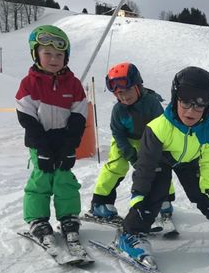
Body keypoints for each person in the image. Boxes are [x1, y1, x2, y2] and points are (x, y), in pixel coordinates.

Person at [115, 66, 209, 268]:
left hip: (189, 161)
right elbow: (145, 165)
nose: (191, 111)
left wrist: (208, 187)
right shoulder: (159, 127)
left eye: (199, 106)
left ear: (207, 106)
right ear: (175, 99)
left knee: (205, 193)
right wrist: (138, 194)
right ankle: (130, 235)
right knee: (156, 190)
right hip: (161, 160)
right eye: (185, 102)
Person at [16, 25, 87, 246]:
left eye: (59, 54)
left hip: (64, 141)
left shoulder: (74, 85)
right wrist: (42, 146)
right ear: (35, 54)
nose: (53, 58)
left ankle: (68, 217)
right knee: (42, 179)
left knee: (64, 179)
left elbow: (78, 117)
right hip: (40, 142)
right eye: (47, 53)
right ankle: (38, 219)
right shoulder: (29, 84)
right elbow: (26, 118)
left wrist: (69, 145)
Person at [89, 62, 175, 223]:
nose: (124, 96)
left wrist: (152, 152)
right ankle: (100, 202)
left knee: (159, 165)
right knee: (116, 166)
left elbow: (161, 127)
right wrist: (129, 153)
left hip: (151, 138)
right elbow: (117, 132)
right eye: (119, 93)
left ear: (138, 86)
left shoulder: (151, 103)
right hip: (125, 139)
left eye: (127, 90)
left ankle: (164, 198)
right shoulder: (118, 110)